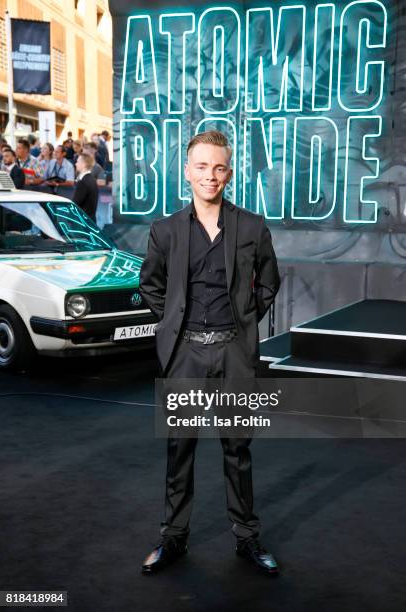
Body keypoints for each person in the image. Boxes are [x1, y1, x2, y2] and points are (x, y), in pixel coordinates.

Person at [139, 130, 280, 575]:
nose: (210, 175)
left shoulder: (253, 226)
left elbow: (270, 281)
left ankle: (247, 539)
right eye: (201, 166)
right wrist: (173, 327)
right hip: (185, 356)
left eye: (218, 167)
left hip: (234, 354)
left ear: (230, 173)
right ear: (187, 171)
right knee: (179, 451)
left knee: (238, 451)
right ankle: (173, 538)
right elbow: (151, 285)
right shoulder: (165, 230)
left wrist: (243, 321)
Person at [73, 152, 99, 222]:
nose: (76, 164)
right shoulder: (91, 179)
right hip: (90, 221)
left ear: (84, 164)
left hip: (83, 222)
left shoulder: (83, 182)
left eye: (78, 162)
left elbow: (75, 204)